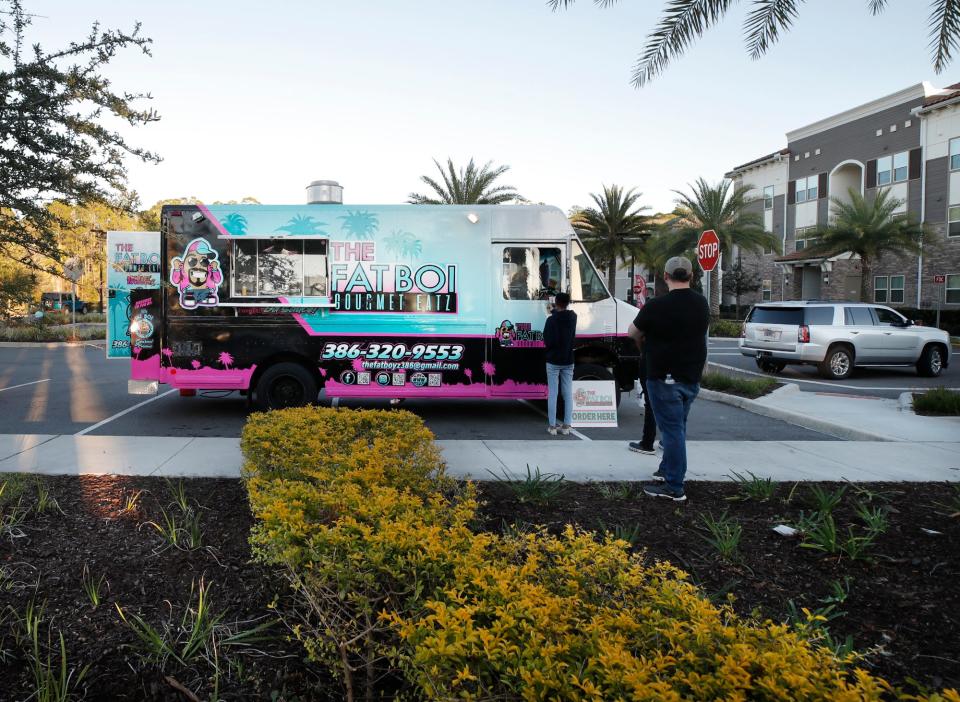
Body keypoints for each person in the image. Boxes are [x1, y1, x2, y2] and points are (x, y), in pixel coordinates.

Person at [628, 256, 709, 501]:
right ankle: (667, 470)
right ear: (691, 276)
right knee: (678, 427)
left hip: (663, 377)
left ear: (665, 276)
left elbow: (632, 332)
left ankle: (675, 486)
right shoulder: (702, 304)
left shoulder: (656, 306)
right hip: (691, 378)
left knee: (672, 431)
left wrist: (645, 345)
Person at [543, 291, 577, 436]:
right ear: (568, 303)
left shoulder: (551, 320)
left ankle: (552, 426)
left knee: (553, 393)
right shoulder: (573, 318)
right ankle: (567, 425)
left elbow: (547, 340)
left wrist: (553, 311)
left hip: (553, 360)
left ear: (556, 303)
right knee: (567, 393)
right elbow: (567, 313)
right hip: (568, 360)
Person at [627, 336, 659, 455]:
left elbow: (633, 332)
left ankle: (647, 443)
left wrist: (643, 349)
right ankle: (667, 442)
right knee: (672, 405)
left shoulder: (652, 317)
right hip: (671, 363)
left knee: (651, 403)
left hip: (651, 359)